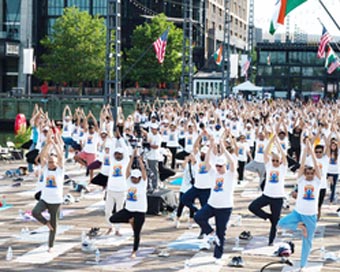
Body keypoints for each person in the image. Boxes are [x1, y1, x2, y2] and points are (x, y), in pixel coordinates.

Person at [278, 140, 321, 272]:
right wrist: (305, 149)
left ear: (313, 174)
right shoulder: (301, 180)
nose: (308, 175)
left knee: (307, 242)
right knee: (280, 224)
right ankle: (299, 226)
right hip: (298, 212)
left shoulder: (317, 181)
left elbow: (316, 166)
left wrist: (311, 151)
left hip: (311, 215)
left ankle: (302, 265)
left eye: (310, 173)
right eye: (307, 173)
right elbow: (302, 166)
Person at [194, 138, 236, 264]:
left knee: (221, 232)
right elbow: (207, 162)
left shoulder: (230, 175)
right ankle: (210, 232)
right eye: (216, 165)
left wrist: (223, 148)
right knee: (198, 217)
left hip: (225, 207)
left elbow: (232, 162)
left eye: (220, 166)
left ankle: (218, 256)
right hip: (212, 204)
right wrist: (211, 146)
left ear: (224, 166)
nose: (217, 168)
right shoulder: (213, 173)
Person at [248, 133, 287, 246]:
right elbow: (265, 153)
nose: (274, 162)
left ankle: (271, 241)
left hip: (278, 197)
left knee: (275, 222)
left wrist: (278, 144)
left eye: (276, 161)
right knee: (252, 207)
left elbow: (283, 156)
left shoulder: (282, 168)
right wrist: (271, 140)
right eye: (273, 160)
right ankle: (268, 217)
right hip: (267, 195)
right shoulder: (269, 166)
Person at [109, 148, 147, 258]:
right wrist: (131, 158)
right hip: (129, 210)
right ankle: (130, 220)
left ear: (139, 178)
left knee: (137, 233)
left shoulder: (143, 183)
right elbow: (127, 170)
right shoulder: (128, 181)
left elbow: (143, 170)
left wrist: (139, 158)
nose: (135, 180)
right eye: (133, 178)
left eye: (136, 178)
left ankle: (134, 251)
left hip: (140, 211)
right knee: (112, 219)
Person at [32, 128, 64, 252]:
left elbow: (60, 156)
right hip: (45, 199)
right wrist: (48, 143)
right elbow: (43, 155)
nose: (51, 164)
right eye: (49, 162)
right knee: (35, 212)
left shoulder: (60, 170)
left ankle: (50, 246)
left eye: (52, 162)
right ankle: (46, 223)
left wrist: (55, 144)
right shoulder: (45, 169)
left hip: (56, 201)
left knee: (54, 226)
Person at [174, 154, 196, 229]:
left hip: (192, 188)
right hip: (184, 187)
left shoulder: (197, 166)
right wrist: (187, 159)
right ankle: (177, 219)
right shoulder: (187, 165)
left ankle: (190, 221)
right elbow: (183, 166)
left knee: (191, 205)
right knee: (181, 204)